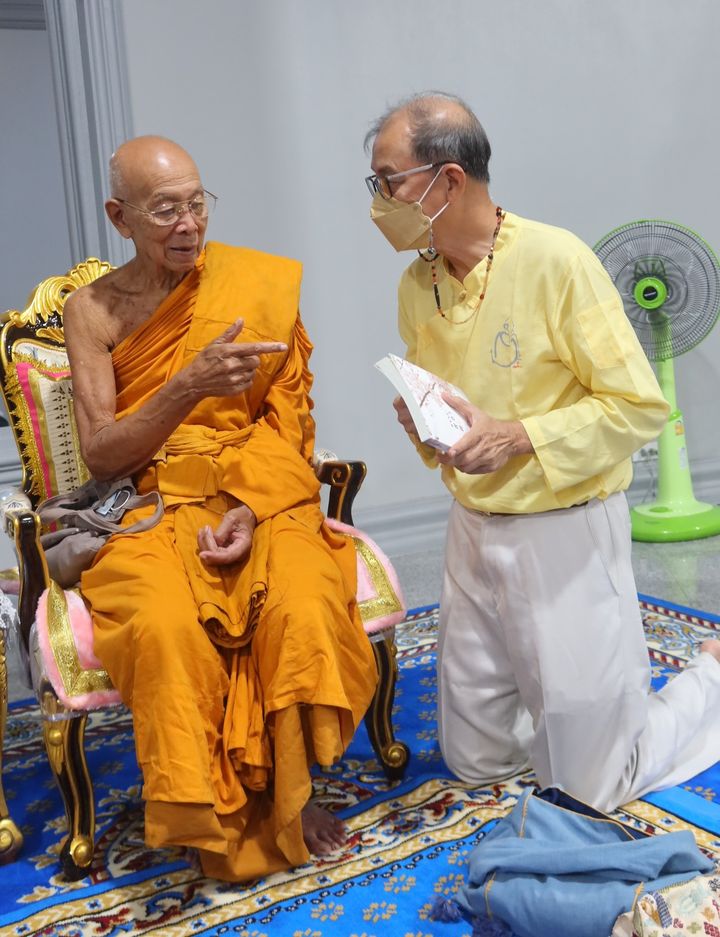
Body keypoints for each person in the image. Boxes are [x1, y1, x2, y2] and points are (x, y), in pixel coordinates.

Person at [365, 91, 720, 812]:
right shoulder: (417, 284)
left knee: (595, 785)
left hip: (565, 530)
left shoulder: (557, 261)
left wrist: (518, 434)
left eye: (389, 180)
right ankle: (571, 707)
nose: (379, 201)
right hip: (472, 529)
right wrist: (426, 425)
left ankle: (708, 679)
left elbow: (638, 407)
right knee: (476, 762)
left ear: (448, 180)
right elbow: (449, 404)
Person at [63, 135, 377, 880]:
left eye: (197, 203)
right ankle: (209, 810)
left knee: (300, 602)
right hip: (151, 501)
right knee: (163, 626)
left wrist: (248, 506)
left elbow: (287, 422)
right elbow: (103, 454)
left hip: (257, 489)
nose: (188, 224)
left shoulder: (253, 285)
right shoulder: (93, 310)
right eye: (164, 209)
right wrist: (186, 386)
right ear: (119, 217)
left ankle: (291, 795)